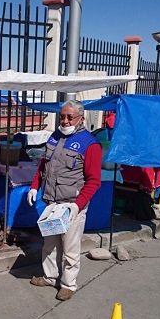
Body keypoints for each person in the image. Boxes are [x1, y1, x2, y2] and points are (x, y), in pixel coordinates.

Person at [26, 100, 101, 301]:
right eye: (62, 116)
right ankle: (50, 277)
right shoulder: (54, 137)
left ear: (81, 119)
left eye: (70, 117)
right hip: (52, 203)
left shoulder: (90, 144)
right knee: (50, 244)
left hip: (71, 205)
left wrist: (77, 206)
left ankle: (68, 284)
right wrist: (34, 186)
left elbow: (94, 181)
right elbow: (43, 165)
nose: (65, 120)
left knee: (70, 248)